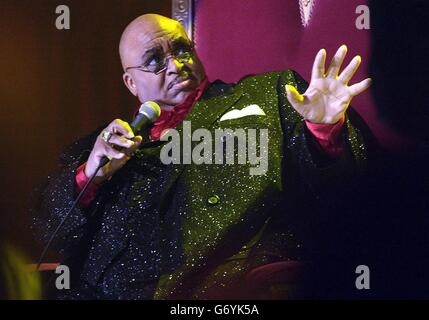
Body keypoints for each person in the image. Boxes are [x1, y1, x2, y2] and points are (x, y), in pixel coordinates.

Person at [32, 14, 373, 299]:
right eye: (155, 60)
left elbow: (345, 193)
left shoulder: (269, 95)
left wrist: (323, 130)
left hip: (219, 289)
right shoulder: (101, 145)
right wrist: (92, 174)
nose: (177, 65)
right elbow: (50, 233)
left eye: (182, 49)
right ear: (131, 83)